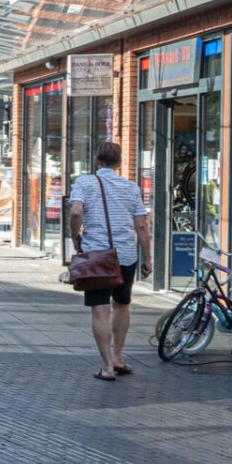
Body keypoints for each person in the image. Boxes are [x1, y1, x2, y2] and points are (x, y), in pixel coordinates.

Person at [69, 141, 152, 382]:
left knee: (100, 310)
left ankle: (107, 367)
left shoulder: (84, 182)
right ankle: (118, 356)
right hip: (125, 255)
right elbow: (141, 225)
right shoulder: (131, 188)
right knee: (122, 304)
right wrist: (147, 257)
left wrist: (75, 236)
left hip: (96, 255)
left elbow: (76, 212)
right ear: (119, 163)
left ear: (96, 160)